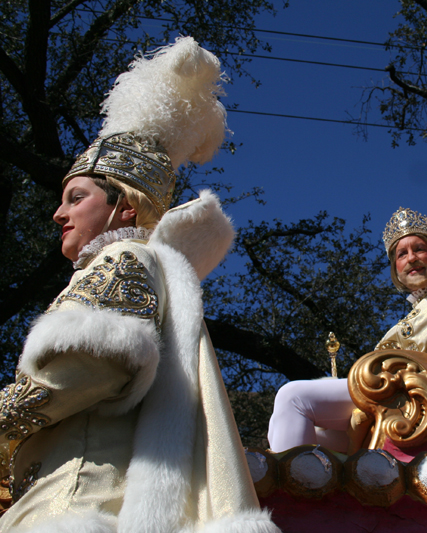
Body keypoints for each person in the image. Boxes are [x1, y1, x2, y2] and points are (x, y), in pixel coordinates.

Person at [0, 38, 279, 533]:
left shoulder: (124, 256)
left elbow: (93, 363)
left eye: (75, 197)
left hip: (75, 506)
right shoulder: (136, 265)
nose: (58, 212)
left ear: (123, 207)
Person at [267, 161, 427, 452]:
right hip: (387, 410)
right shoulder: (404, 319)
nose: (411, 258)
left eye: (420, 249)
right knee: (292, 428)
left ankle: (293, 498)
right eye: (402, 254)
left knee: (293, 397)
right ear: (396, 269)